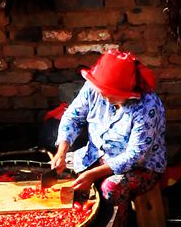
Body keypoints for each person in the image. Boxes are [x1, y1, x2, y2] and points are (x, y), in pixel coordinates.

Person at [51, 49, 166, 205]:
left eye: (111, 94)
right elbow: (73, 117)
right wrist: (62, 152)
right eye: (102, 92)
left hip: (141, 166)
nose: (104, 97)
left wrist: (93, 174)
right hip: (96, 155)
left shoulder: (147, 106)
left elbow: (135, 156)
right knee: (58, 173)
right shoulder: (93, 88)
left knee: (110, 189)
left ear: (127, 91)